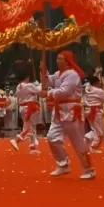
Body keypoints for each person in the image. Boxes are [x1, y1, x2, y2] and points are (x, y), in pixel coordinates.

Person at [42, 51, 95, 180]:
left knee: (77, 142)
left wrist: (48, 93)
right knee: (52, 137)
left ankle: (89, 169)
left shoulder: (72, 74)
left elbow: (64, 92)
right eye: (57, 58)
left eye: (60, 59)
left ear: (67, 61)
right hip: (59, 111)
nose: (57, 61)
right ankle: (63, 163)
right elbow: (47, 82)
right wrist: (43, 71)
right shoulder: (57, 74)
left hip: (71, 111)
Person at [82, 72, 104, 153]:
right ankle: (93, 147)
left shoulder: (87, 88)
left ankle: (87, 138)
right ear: (96, 82)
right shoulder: (99, 91)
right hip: (96, 112)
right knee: (100, 132)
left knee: (94, 129)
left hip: (87, 111)